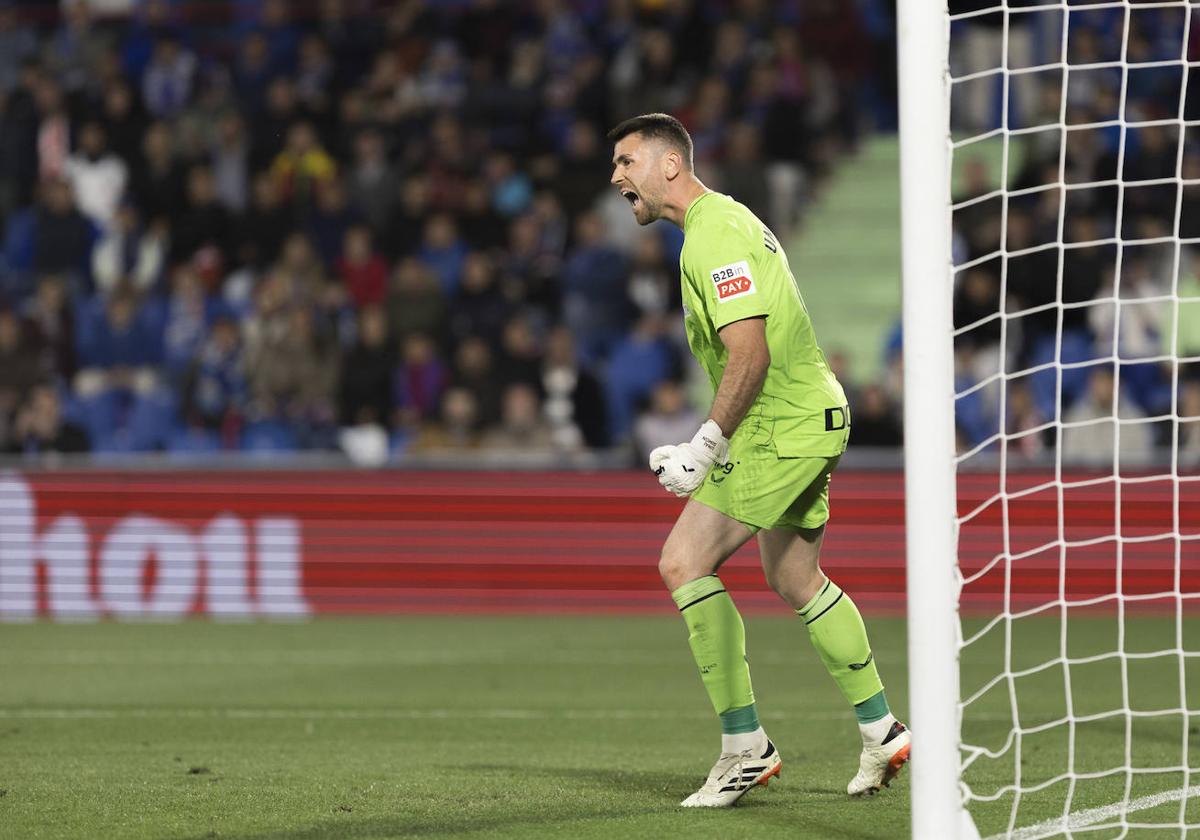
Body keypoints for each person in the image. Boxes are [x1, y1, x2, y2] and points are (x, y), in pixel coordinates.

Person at [606, 113, 909, 807]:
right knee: (797, 576)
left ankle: (745, 748)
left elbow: (751, 352)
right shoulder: (725, 224)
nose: (617, 176)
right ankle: (882, 728)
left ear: (670, 166)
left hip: (785, 424)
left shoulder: (713, 235)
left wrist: (702, 445)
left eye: (627, 161)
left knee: (683, 561)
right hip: (810, 417)